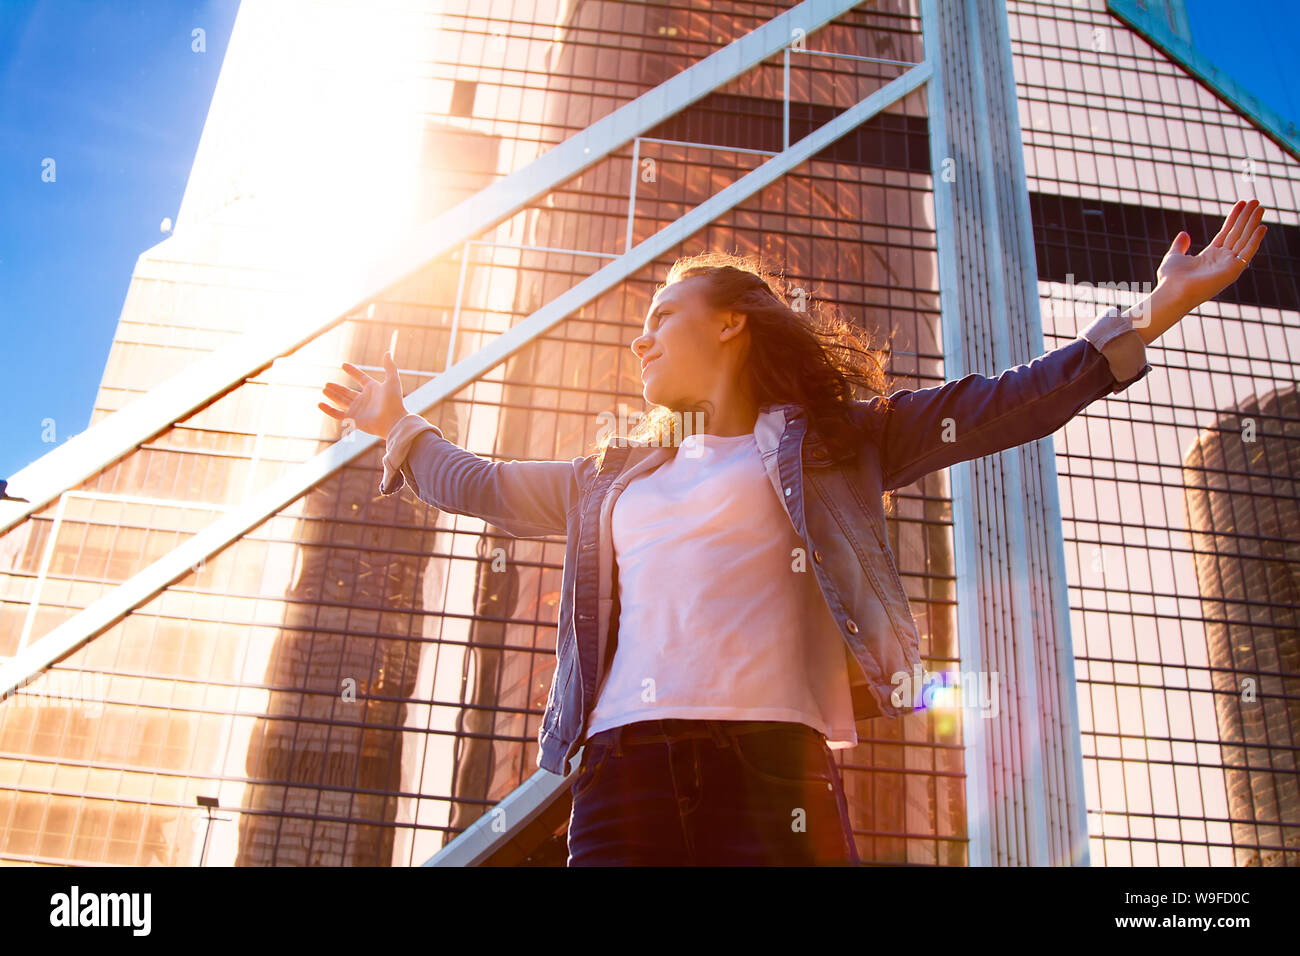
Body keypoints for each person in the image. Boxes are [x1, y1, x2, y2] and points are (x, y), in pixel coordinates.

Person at [319, 199, 1267, 866]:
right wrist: (399, 425)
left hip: (775, 774)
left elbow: (1002, 406)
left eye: (662, 317)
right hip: (622, 776)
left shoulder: (837, 443)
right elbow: (477, 485)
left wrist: (1152, 310)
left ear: (731, 325)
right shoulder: (608, 478)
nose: (639, 340)